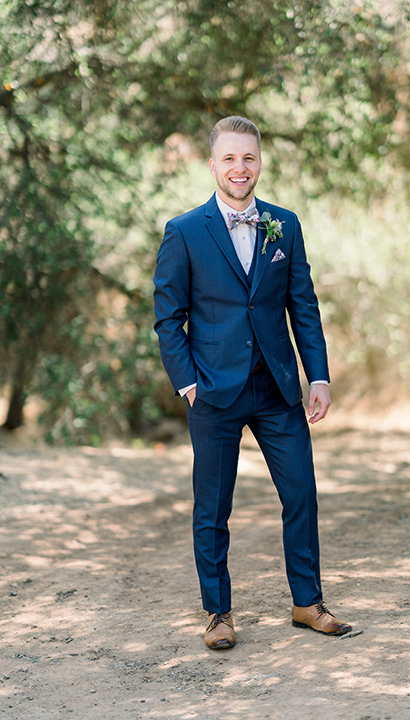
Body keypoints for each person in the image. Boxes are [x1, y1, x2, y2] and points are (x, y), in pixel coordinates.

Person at [153, 116, 352, 649]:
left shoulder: (284, 224)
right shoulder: (185, 231)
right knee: (213, 507)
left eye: (249, 158)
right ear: (213, 164)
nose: (240, 168)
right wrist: (187, 383)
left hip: (278, 387)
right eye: (229, 158)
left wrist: (319, 376)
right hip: (213, 390)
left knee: (301, 493)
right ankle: (218, 613)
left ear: (260, 162)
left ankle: (307, 603)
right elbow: (168, 318)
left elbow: (302, 306)